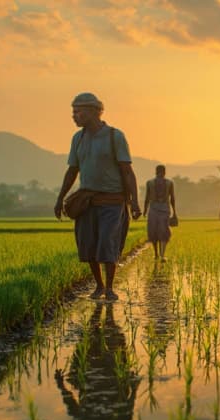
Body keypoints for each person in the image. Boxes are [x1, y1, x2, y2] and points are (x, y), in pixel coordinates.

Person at [54, 92, 142, 301]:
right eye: (73, 112)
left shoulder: (115, 136)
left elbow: (127, 171)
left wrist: (135, 201)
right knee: (89, 245)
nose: (74, 116)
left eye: (78, 111)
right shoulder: (78, 138)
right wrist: (60, 198)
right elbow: (72, 171)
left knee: (107, 244)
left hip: (112, 201)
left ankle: (110, 287)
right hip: (87, 201)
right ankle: (99, 286)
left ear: (94, 112)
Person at [142, 164, 176, 261]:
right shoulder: (167, 183)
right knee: (159, 232)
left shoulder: (151, 183)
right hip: (161, 209)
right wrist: (174, 212)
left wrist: (145, 210)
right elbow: (172, 198)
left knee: (158, 231)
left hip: (157, 210)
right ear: (164, 172)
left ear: (156, 171)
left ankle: (159, 254)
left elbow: (147, 198)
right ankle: (160, 254)